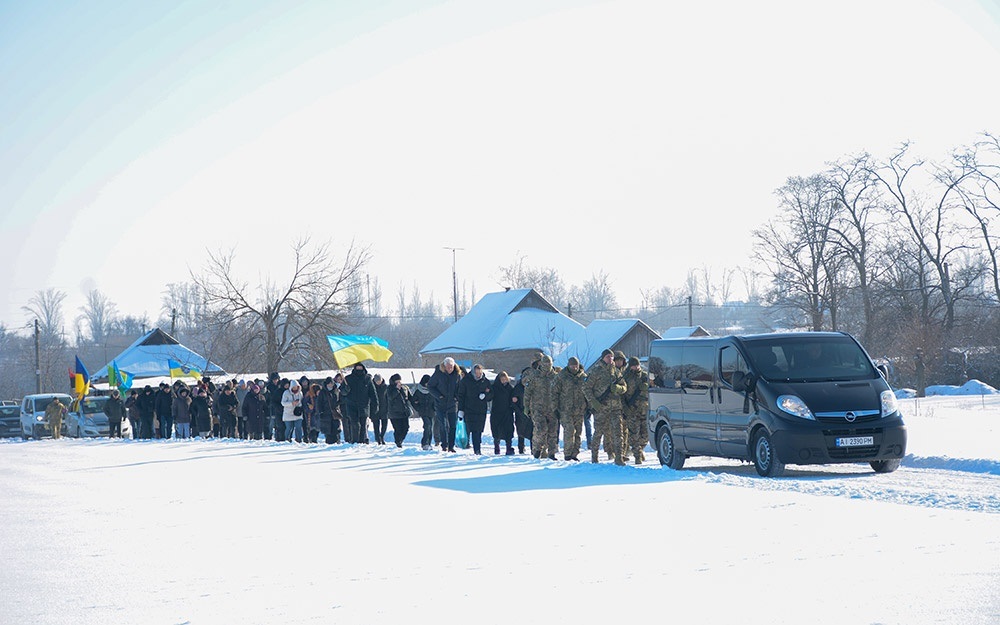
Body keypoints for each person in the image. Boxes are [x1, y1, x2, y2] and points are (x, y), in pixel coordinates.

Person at [583, 348, 628, 465]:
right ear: (603, 358)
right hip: (601, 408)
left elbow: (624, 387)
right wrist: (593, 402)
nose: (610, 359)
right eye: (608, 357)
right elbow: (586, 388)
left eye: (612, 357)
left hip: (616, 408)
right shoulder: (596, 371)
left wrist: (619, 388)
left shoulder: (616, 372)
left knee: (618, 433)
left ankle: (619, 458)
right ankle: (594, 457)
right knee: (598, 433)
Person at [553, 356, 588, 461]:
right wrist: (555, 408)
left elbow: (588, 392)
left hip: (579, 410)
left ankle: (574, 454)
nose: (575, 367)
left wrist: (588, 407)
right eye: (572, 365)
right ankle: (567, 454)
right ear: (569, 365)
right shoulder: (561, 377)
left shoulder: (583, 377)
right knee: (569, 430)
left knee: (578, 432)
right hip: (565, 410)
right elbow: (554, 392)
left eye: (576, 365)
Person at [523, 354, 557, 459]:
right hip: (537, 408)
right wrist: (526, 407)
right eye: (545, 364)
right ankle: (537, 450)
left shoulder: (555, 377)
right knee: (540, 429)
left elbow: (562, 392)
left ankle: (551, 453)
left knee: (552, 431)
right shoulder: (534, 376)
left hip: (552, 408)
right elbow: (528, 392)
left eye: (549, 364)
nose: (547, 366)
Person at [427, 356, 461, 452]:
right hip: (440, 404)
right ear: (444, 366)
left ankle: (451, 446)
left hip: (452, 404)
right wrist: (439, 396)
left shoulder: (457, 375)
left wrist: (456, 397)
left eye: (451, 366)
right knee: (443, 425)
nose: (450, 368)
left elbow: (460, 388)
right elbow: (430, 386)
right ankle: (444, 445)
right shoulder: (438, 374)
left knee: (453, 426)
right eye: (448, 367)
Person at [457, 363, 492, 454]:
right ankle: (476, 449)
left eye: (479, 373)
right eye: (476, 373)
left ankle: (477, 448)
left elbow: (491, 394)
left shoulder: (485, 381)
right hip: (469, 409)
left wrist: (485, 395)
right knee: (473, 429)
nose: (478, 375)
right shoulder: (466, 381)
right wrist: (461, 409)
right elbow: (461, 396)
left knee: (479, 430)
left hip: (481, 410)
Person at [622, 356, 650, 464]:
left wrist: (647, 386)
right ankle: (637, 456)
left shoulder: (645, 376)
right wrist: (625, 409)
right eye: (633, 365)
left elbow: (652, 387)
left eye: (637, 365)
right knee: (634, 435)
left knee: (645, 435)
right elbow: (622, 396)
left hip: (644, 409)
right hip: (632, 410)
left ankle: (638, 450)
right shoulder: (626, 377)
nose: (635, 367)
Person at [344, 363, 377, 444]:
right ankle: (354, 440)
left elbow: (373, 393)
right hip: (351, 405)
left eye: (360, 368)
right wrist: (345, 389)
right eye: (357, 368)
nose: (359, 370)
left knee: (363, 424)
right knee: (354, 424)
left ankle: (362, 441)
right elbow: (343, 393)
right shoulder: (348, 379)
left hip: (364, 405)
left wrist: (375, 405)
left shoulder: (367, 379)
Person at [489, 371, 516, 455]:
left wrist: (514, 400)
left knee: (509, 431)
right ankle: (497, 447)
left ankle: (509, 448)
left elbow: (513, 397)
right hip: (496, 412)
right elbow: (490, 397)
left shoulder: (510, 388)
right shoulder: (494, 387)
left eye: (505, 379)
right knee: (496, 431)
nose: (504, 381)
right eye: (502, 379)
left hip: (507, 412)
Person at [410, 374, 436, 450]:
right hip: (423, 412)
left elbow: (436, 400)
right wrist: (418, 408)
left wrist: (434, 408)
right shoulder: (418, 391)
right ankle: (424, 443)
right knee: (427, 426)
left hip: (431, 412)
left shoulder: (432, 390)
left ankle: (429, 443)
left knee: (430, 427)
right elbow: (413, 401)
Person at [386, 373, 412, 447]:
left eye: (399, 381)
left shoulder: (404, 387)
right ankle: (398, 442)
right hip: (394, 413)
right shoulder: (390, 388)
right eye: (397, 381)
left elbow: (409, 397)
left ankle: (400, 440)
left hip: (404, 412)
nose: (398, 383)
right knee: (398, 429)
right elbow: (390, 397)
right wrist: (396, 389)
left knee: (406, 428)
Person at [317, 377, 341, 444]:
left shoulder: (336, 391)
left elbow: (339, 400)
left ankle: (337, 440)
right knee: (328, 429)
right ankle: (329, 442)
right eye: (329, 383)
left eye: (332, 383)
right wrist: (320, 411)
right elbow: (319, 403)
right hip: (326, 413)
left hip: (335, 412)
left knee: (336, 428)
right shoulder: (322, 392)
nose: (331, 385)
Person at [512, 369, 531, 454]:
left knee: (532, 431)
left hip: (531, 412)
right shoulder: (518, 387)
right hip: (520, 412)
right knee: (520, 431)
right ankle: (521, 448)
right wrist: (519, 412)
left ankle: (533, 448)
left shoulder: (532, 386)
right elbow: (513, 401)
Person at [265, 373, 284, 441]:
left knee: (278, 422)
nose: (275, 381)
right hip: (271, 406)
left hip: (279, 405)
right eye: (274, 379)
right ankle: (269, 435)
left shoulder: (280, 386)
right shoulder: (269, 386)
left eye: (276, 379)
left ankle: (277, 435)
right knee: (271, 422)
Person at [371, 373, 389, 445]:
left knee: (384, 425)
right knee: (376, 425)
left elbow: (388, 398)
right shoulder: (372, 387)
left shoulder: (385, 387)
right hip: (375, 409)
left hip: (384, 408)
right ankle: (378, 438)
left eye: (379, 380)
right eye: (377, 381)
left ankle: (382, 436)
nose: (378, 382)